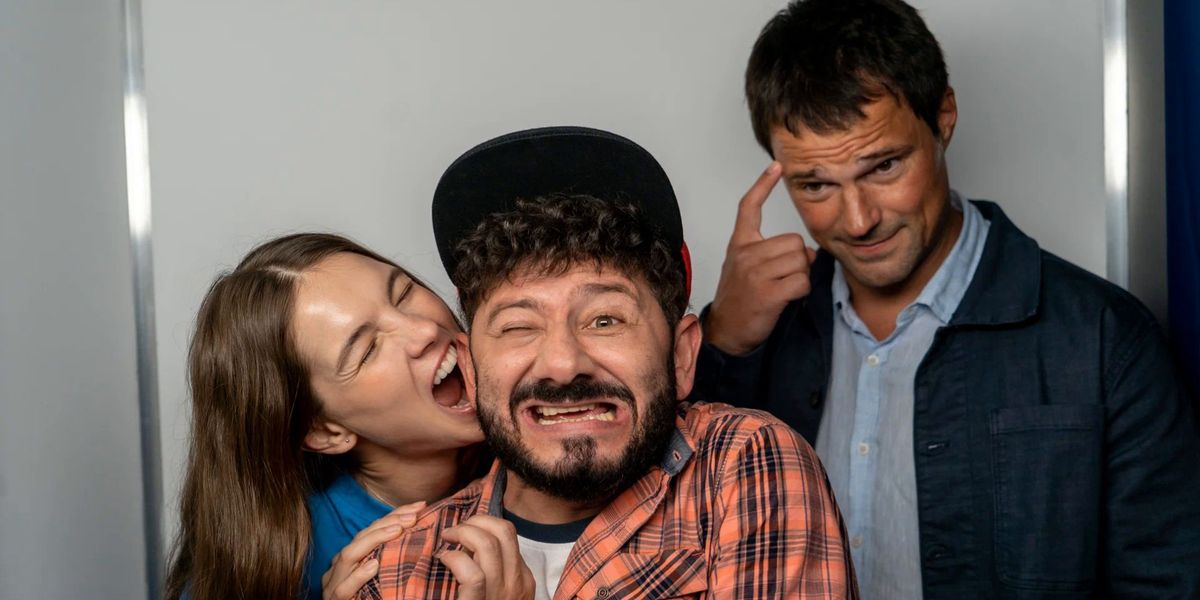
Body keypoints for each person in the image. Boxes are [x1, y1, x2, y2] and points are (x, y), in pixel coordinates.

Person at [695, 0, 1200, 597]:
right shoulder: (757, 333)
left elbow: (1164, 581)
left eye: (884, 166)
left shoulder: (1103, 338)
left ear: (944, 118)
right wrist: (723, 344)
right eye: (816, 185)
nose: (857, 220)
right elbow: (671, 530)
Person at [357, 126, 858, 599]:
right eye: (518, 326)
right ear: (469, 369)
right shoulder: (399, 566)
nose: (562, 364)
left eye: (605, 320)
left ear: (682, 356)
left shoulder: (743, 464)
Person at [164, 233, 486, 600]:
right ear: (324, 431)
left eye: (403, 293)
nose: (425, 330)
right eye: (367, 350)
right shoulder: (280, 567)